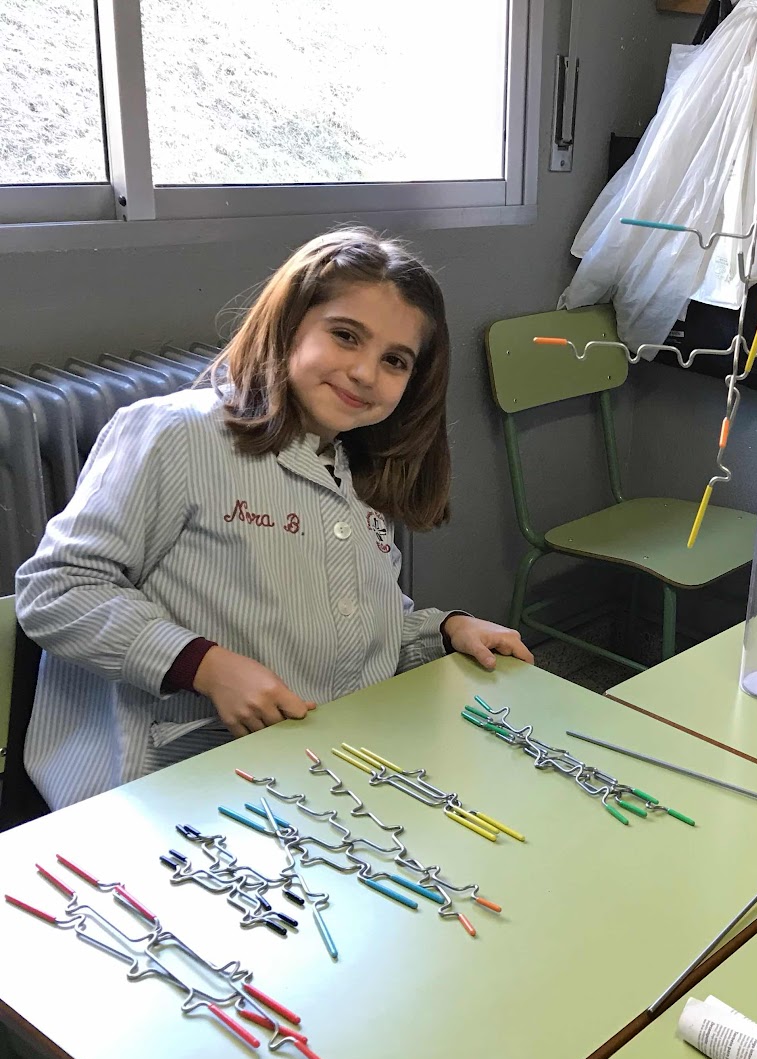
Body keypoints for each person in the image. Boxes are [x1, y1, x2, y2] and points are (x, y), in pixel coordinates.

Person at [17, 228, 532, 809]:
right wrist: (205, 666)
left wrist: (443, 631)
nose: (365, 373)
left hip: (316, 767)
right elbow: (57, 589)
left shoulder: (355, 468)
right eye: (345, 336)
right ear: (289, 326)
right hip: (172, 783)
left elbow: (349, 627)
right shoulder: (177, 433)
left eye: (394, 360)